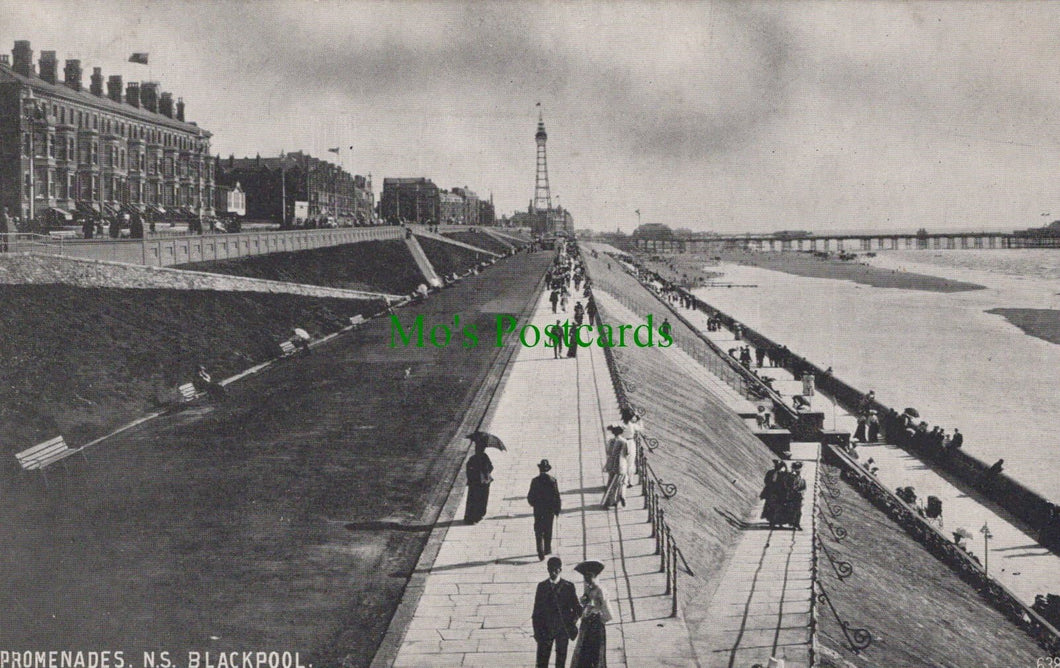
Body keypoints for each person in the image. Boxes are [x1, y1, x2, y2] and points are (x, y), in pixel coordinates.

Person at [533, 557, 582, 668]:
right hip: (546, 630)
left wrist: (571, 622)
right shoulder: (542, 587)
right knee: (541, 662)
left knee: (561, 662)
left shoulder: (568, 587)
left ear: (560, 570)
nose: (553, 573)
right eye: (550, 570)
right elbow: (536, 612)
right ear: (547, 570)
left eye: (556, 570)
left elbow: (577, 609)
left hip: (562, 630)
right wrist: (537, 632)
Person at [569, 561, 612, 668]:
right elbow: (583, 607)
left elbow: (608, 613)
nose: (587, 579)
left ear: (595, 576)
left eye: (590, 576)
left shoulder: (600, 591)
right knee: (583, 653)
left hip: (596, 627)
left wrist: (597, 616)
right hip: (586, 626)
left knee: (595, 654)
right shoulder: (588, 590)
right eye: (585, 576)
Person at [528, 459, 562, 561]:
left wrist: (533, 504)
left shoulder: (535, 481)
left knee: (538, 529)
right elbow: (557, 496)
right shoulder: (552, 480)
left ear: (540, 469)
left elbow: (530, 497)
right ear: (548, 469)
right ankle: (547, 548)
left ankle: (540, 550)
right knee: (548, 529)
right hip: (549, 510)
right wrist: (557, 509)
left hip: (538, 510)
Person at [464, 439, 494, 524]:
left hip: (475, 482)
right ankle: (478, 515)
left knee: (473, 500)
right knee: (482, 499)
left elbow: (468, 470)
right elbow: (491, 467)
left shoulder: (472, 458)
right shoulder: (485, 457)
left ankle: (470, 517)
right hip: (484, 482)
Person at [601, 425, 629, 508]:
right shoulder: (624, 441)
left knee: (611, 482)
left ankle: (608, 501)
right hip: (621, 464)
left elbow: (608, 452)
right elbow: (627, 453)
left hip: (612, 463)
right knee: (620, 482)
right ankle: (619, 497)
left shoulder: (611, 441)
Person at [778, 461, 807, 529]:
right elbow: (785, 485)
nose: (798, 470)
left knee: (798, 511)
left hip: (798, 496)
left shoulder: (801, 478)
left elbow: (804, 487)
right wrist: (790, 490)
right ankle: (783, 523)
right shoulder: (789, 477)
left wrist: (802, 491)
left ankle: (796, 524)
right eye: (796, 469)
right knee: (788, 509)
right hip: (790, 495)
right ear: (793, 469)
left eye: (799, 469)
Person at [760, 460, 786, 527]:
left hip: (779, 493)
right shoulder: (770, 472)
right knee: (770, 507)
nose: (776, 467)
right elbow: (766, 480)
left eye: (778, 466)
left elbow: (785, 483)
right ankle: (771, 521)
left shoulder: (783, 474)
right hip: (771, 492)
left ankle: (780, 522)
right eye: (776, 466)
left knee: (780, 507)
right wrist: (770, 486)